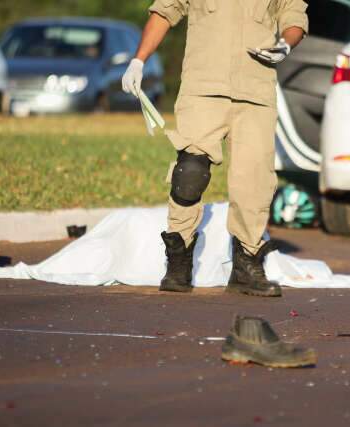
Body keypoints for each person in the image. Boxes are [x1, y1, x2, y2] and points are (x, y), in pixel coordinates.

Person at [122, 0, 308, 298]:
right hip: (202, 88)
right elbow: (164, 12)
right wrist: (139, 60)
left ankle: (247, 264)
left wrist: (285, 45)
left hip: (256, 93)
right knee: (190, 172)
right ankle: (178, 262)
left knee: (254, 182)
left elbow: (294, 17)